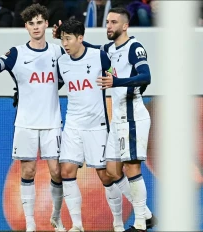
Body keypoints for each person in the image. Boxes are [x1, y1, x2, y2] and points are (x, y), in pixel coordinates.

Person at [54, 7, 156, 232]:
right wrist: (63, 35)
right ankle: (146, 213)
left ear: (125, 26)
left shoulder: (134, 47)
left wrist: (116, 83)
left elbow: (146, 76)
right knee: (111, 171)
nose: (108, 26)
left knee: (131, 168)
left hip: (132, 114)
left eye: (113, 22)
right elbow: (86, 48)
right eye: (107, 22)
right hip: (118, 116)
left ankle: (140, 223)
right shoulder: (108, 50)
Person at [0, 3, 65, 232]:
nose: (36, 27)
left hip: (52, 122)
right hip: (26, 123)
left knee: (56, 171)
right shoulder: (17, 53)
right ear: (26, 26)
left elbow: (77, 63)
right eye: (31, 23)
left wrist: (64, 35)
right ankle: (30, 223)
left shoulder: (57, 52)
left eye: (39, 22)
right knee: (27, 172)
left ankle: (56, 217)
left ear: (46, 24)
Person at [56, 18, 124, 232]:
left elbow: (115, 75)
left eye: (68, 39)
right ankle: (77, 225)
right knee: (66, 171)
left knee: (105, 175)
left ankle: (118, 222)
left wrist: (112, 78)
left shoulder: (99, 56)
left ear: (80, 38)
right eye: (62, 39)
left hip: (97, 125)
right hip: (73, 124)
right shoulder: (61, 62)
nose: (65, 44)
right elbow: (54, 86)